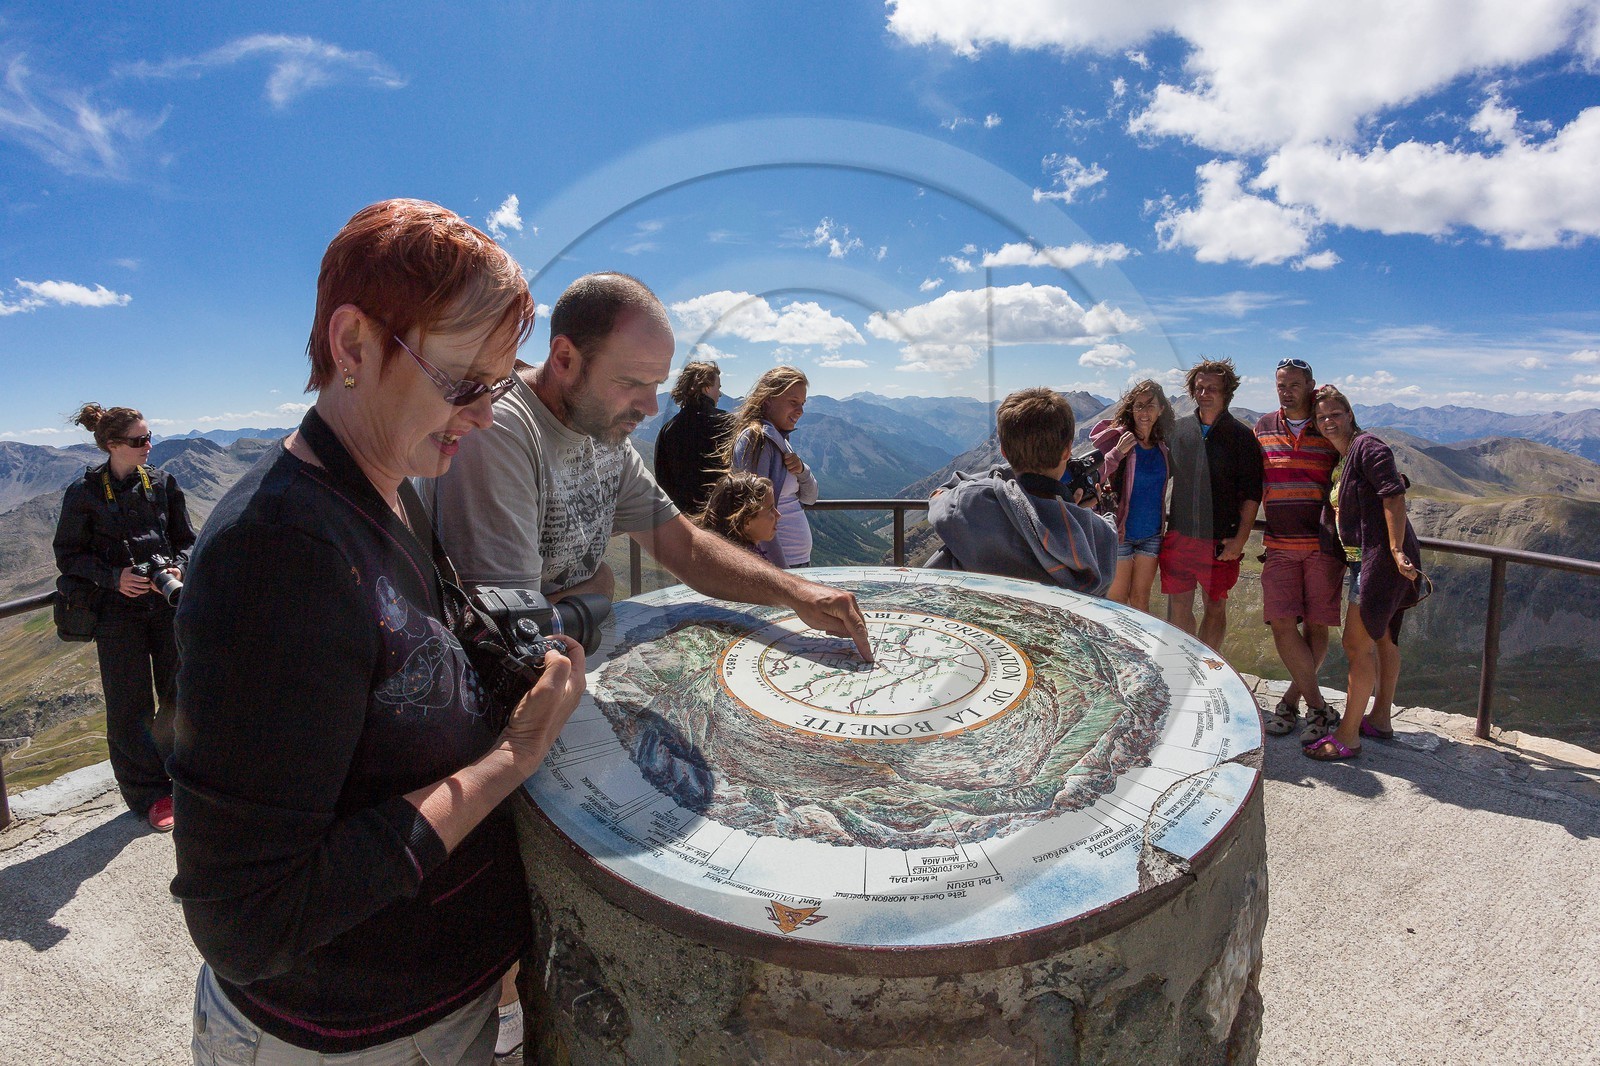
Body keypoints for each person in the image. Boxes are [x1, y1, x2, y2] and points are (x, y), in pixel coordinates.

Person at [170, 199, 586, 1063]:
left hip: (425, 1006)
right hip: (351, 1035)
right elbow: (248, 923)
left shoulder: (385, 485)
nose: (484, 414)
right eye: (463, 383)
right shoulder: (277, 551)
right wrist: (513, 755)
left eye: (499, 386)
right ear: (353, 345)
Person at [424, 272, 871, 658]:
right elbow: (515, 636)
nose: (651, 407)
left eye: (656, 383)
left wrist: (798, 592)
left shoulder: (605, 437)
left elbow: (688, 548)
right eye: (631, 382)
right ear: (564, 360)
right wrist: (598, 588)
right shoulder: (499, 430)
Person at [52, 403, 195, 833]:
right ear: (113, 445)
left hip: (165, 607)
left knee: (178, 693)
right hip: (116, 615)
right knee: (129, 705)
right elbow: (68, 555)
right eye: (139, 440)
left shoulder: (163, 483)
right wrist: (114, 578)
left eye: (149, 436)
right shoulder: (84, 493)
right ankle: (150, 794)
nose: (149, 445)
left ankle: (184, 778)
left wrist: (177, 568)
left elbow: (188, 541)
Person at [1303, 386, 1425, 761]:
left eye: (1335, 413)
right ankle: (1380, 718)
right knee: (1384, 637)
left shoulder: (1368, 447)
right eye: (1321, 416)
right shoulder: (1344, 456)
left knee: (1356, 646)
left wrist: (1395, 549)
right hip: (1367, 559)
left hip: (1379, 562)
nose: (1328, 421)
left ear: (1349, 414)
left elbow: (1393, 494)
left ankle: (1349, 735)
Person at [927, 387, 1117, 595]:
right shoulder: (1099, 534)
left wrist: (1006, 471)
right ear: (1067, 451)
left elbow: (941, 494)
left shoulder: (971, 503)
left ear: (1003, 451)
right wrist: (1069, 509)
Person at [1255, 358, 1346, 743]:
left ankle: (1292, 704)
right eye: (1281, 385)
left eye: (1294, 384)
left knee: (1316, 625)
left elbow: (1353, 466)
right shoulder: (1263, 427)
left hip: (1322, 544)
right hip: (1278, 543)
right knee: (1281, 622)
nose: (1287, 391)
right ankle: (1320, 707)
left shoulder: (1327, 426)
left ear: (1310, 386)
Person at [1159, 358, 1264, 650]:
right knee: (1179, 606)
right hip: (1180, 533)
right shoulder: (1178, 431)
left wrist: (1240, 540)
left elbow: (1252, 495)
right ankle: (1185, 660)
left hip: (1220, 539)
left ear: (1226, 392)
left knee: (1215, 606)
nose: (1204, 393)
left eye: (1212, 388)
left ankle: (1207, 665)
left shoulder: (1242, 437)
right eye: (1200, 387)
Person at [1089, 380, 1173, 614]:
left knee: (1140, 600)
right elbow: (1095, 476)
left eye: (1150, 405)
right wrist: (1117, 453)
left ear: (1161, 410)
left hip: (1152, 534)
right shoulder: (1120, 439)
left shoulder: (1163, 446)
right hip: (1120, 534)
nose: (1144, 412)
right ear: (1131, 409)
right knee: (1116, 602)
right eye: (1139, 405)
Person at [725, 366, 818, 568]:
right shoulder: (756, 440)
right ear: (768, 399)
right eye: (793, 402)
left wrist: (802, 470)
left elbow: (810, 498)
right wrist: (781, 574)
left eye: (802, 404)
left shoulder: (779, 440)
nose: (800, 411)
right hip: (780, 565)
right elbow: (756, 515)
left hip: (794, 563)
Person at [653, 360, 731, 514]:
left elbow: (662, 478)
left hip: (681, 518)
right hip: (718, 516)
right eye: (718, 388)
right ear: (706, 388)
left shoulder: (668, 429)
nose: (720, 394)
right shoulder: (726, 423)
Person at [696, 471, 779, 560]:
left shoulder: (715, 553)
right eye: (770, 509)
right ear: (747, 522)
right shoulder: (746, 562)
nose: (778, 515)